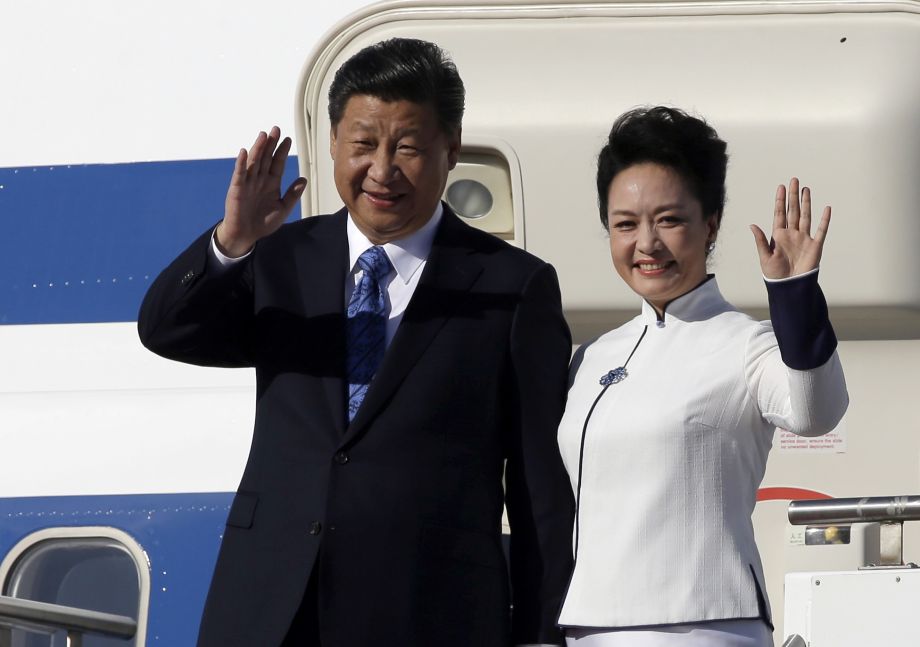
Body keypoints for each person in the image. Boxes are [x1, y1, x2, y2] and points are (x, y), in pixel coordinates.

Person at [138, 38, 574, 647]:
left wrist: (538, 633)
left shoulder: (513, 285)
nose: (382, 170)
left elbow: (539, 489)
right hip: (270, 607)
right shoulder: (281, 258)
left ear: (451, 149)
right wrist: (232, 243)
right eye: (364, 144)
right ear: (334, 143)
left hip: (428, 611)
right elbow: (166, 330)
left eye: (409, 147)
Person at [556, 107, 848, 646]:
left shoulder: (746, 342)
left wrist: (795, 293)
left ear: (710, 224)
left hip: (708, 625)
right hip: (588, 628)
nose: (646, 243)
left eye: (669, 219)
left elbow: (815, 411)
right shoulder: (592, 357)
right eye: (625, 224)